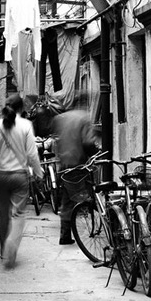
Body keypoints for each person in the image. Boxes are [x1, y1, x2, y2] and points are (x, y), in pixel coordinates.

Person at [0, 93, 43, 269]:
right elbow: (32, 154)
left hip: (1, 176)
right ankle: (12, 243)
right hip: (20, 176)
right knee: (18, 214)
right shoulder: (26, 125)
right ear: (21, 108)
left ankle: (3, 250)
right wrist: (38, 172)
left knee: (3, 214)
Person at [51, 93, 99, 245]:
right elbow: (87, 142)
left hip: (63, 164)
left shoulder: (61, 118)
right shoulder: (84, 118)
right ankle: (92, 231)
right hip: (78, 163)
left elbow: (56, 140)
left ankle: (65, 235)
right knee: (84, 197)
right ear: (85, 103)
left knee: (67, 201)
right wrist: (96, 153)